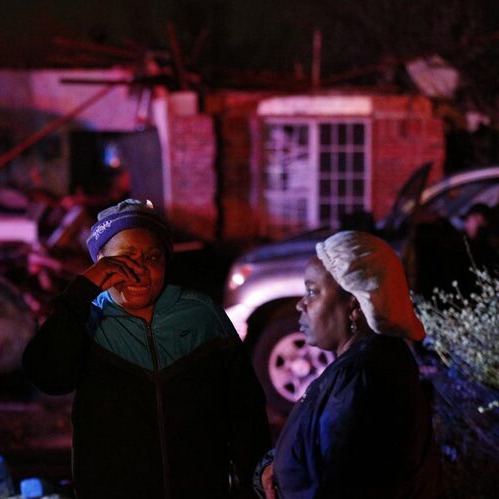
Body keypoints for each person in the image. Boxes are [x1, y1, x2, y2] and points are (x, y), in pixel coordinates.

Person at [22, 199, 271, 499]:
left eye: (153, 257)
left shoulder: (201, 314)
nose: (139, 271)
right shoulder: (84, 320)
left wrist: (256, 477)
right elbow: (47, 376)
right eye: (124, 260)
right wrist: (79, 294)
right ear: (99, 262)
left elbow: (245, 409)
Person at [255, 231, 442, 499]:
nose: (300, 304)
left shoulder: (361, 381)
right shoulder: (367, 363)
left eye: (312, 291)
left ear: (354, 305)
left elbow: (346, 484)